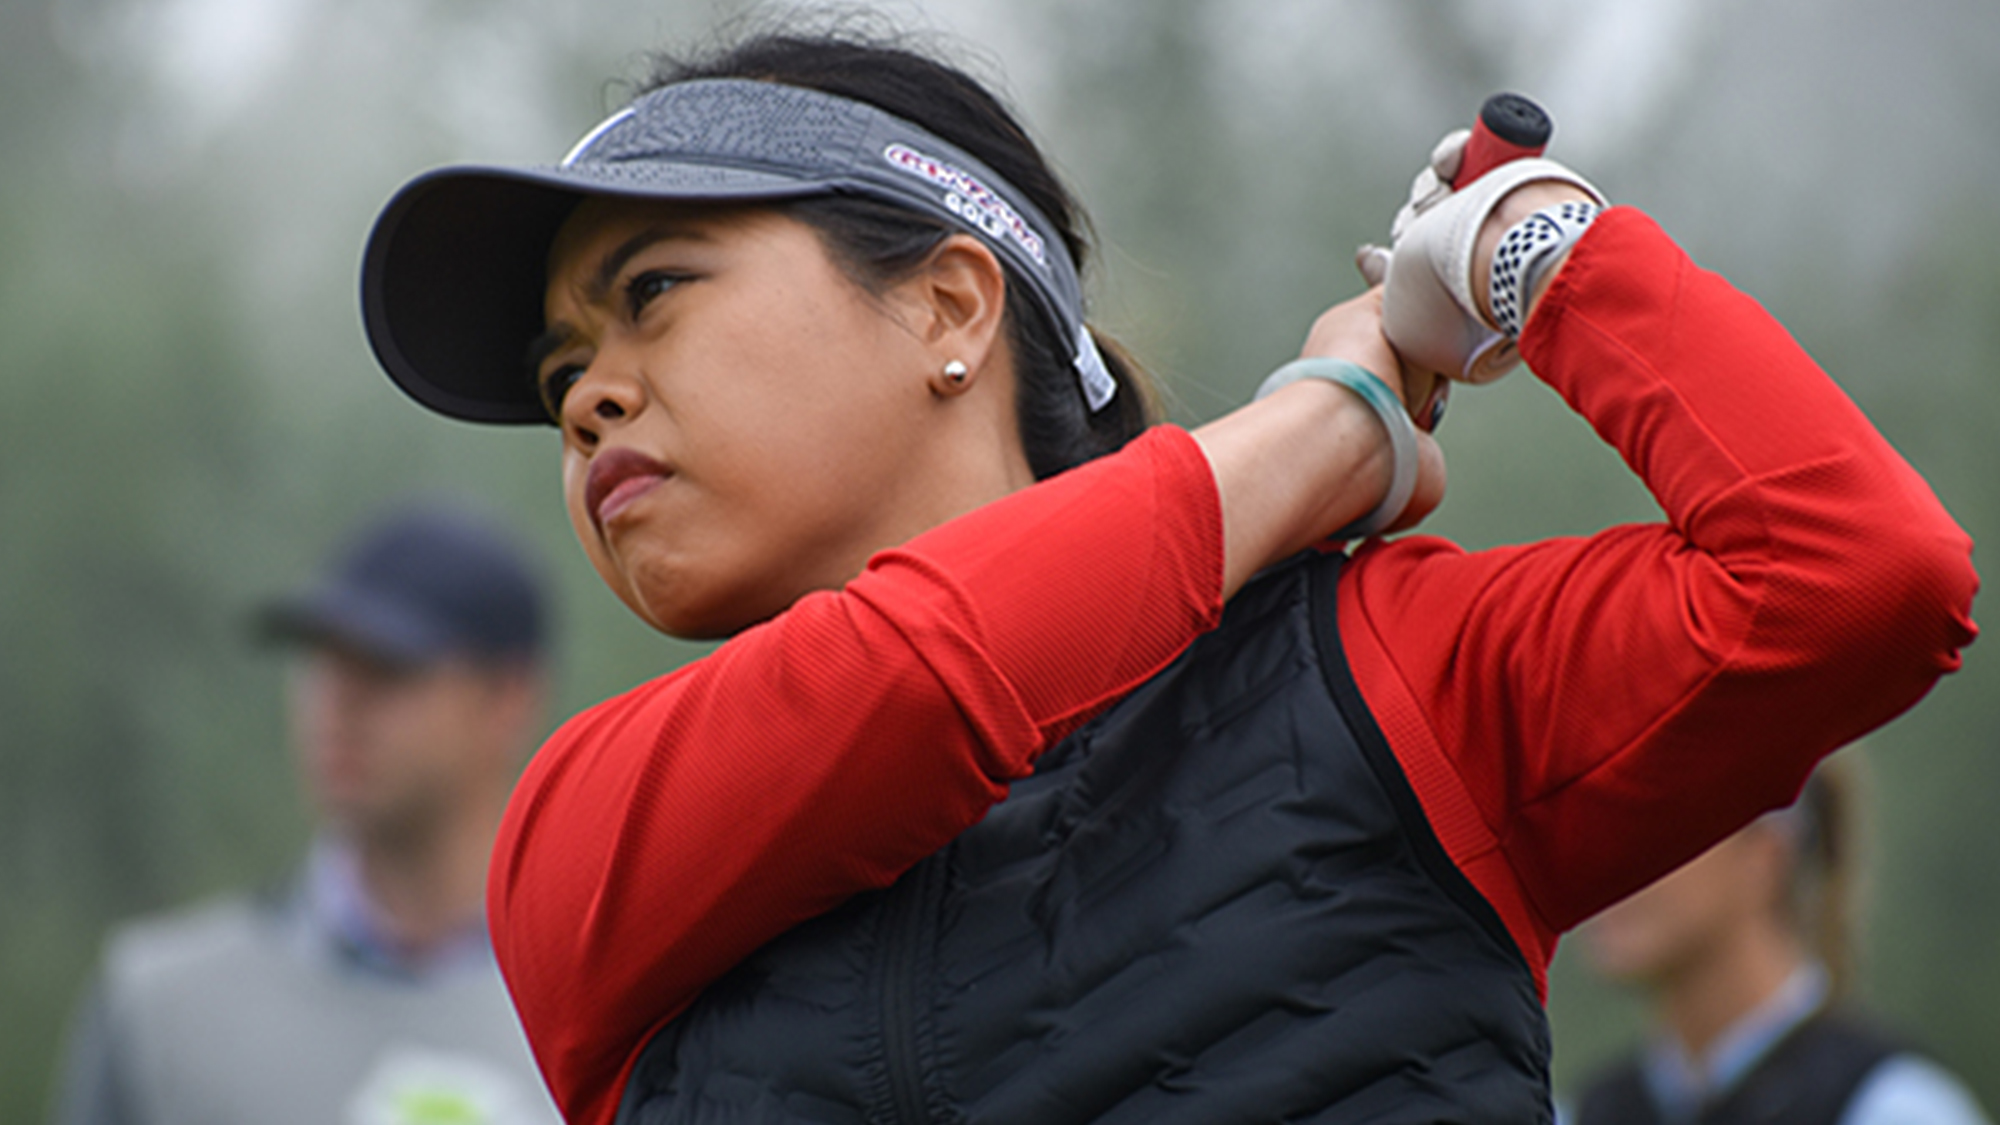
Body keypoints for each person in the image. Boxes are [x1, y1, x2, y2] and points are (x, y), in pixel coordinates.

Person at [354, 23, 1977, 1125]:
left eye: (652, 291)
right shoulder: (587, 830)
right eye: (561, 369)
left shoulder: (1377, 669)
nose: (587, 394)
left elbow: (1854, 576)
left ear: (949, 308)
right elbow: (916, 677)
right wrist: (1322, 427)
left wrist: (1533, 247)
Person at [50, 504, 562, 1125]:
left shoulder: (614, 1007)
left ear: (508, 698)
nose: (338, 703)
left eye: (388, 666)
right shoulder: (160, 1011)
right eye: (323, 661)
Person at [1569, 757, 1992, 1125]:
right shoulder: (1579, 1113)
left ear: (1765, 854)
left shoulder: (1891, 1110)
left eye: (1654, 822)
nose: (1607, 859)